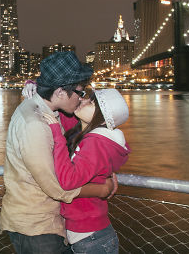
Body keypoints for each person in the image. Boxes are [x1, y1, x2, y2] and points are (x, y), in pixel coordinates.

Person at [1, 51, 117, 254]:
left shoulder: (46, 112)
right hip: (35, 227)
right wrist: (101, 189)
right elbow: (55, 188)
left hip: (44, 222)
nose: (82, 99)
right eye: (80, 93)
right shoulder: (35, 124)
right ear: (61, 92)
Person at [49, 88, 131, 254]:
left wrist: (55, 131)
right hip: (87, 233)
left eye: (91, 102)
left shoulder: (97, 143)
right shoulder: (84, 133)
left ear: (103, 116)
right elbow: (63, 110)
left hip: (91, 238)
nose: (82, 101)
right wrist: (40, 89)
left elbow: (67, 181)